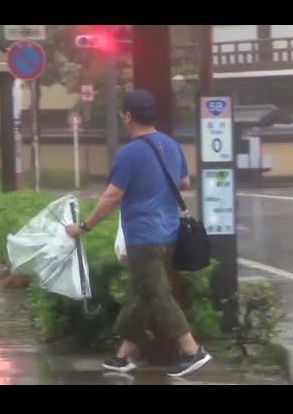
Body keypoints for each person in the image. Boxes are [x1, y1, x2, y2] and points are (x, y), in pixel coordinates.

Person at [65, 89, 212, 378]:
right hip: (169, 232)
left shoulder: (130, 153)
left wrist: (83, 227)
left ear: (129, 116)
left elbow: (111, 197)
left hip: (144, 236)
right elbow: (183, 182)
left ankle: (193, 351)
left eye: (123, 114)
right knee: (141, 293)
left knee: (156, 294)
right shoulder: (170, 145)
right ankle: (122, 357)